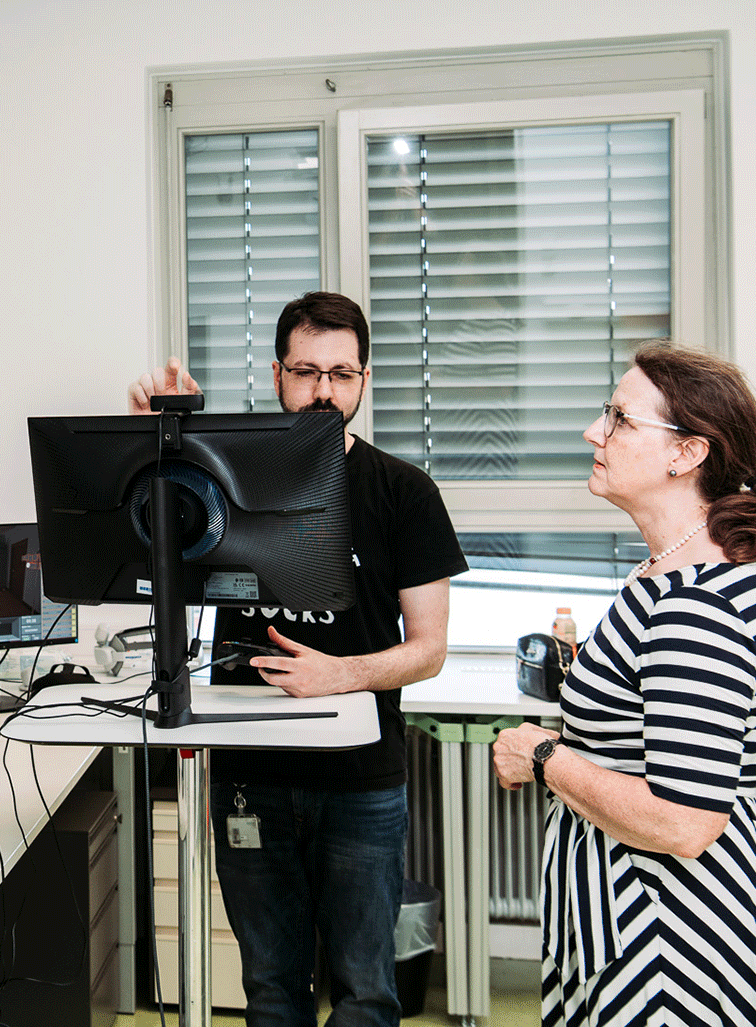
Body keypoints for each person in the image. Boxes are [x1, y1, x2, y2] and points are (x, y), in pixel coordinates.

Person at [129, 291, 464, 1027]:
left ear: (364, 380)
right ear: (278, 375)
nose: (323, 391)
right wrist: (163, 441)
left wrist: (343, 674)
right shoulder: (224, 481)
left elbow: (429, 650)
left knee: (365, 992)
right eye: (307, 371)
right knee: (272, 990)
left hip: (360, 780)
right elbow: (149, 547)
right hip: (251, 773)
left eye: (341, 374)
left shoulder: (404, 493)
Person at [492, 343, 756, 1027]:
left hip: (669, 939)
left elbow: (684, 822)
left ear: (686, 453)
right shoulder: (675, 569)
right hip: (643, 913)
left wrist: (543, 757)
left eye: (620, 418)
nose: (594, 432)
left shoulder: (697, 605)